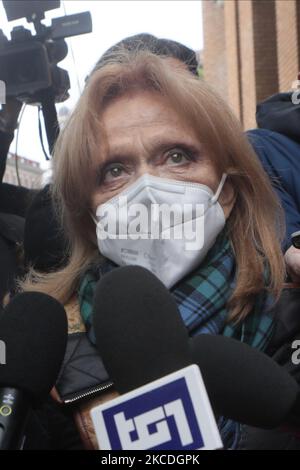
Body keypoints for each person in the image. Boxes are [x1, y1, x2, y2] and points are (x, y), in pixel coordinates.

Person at [17, 45, 290, 450]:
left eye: (177, 156)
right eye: (114, 170)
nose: (148, 188)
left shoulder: (291, 317)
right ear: (89, 216)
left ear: (227, 189)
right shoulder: (40, 358)